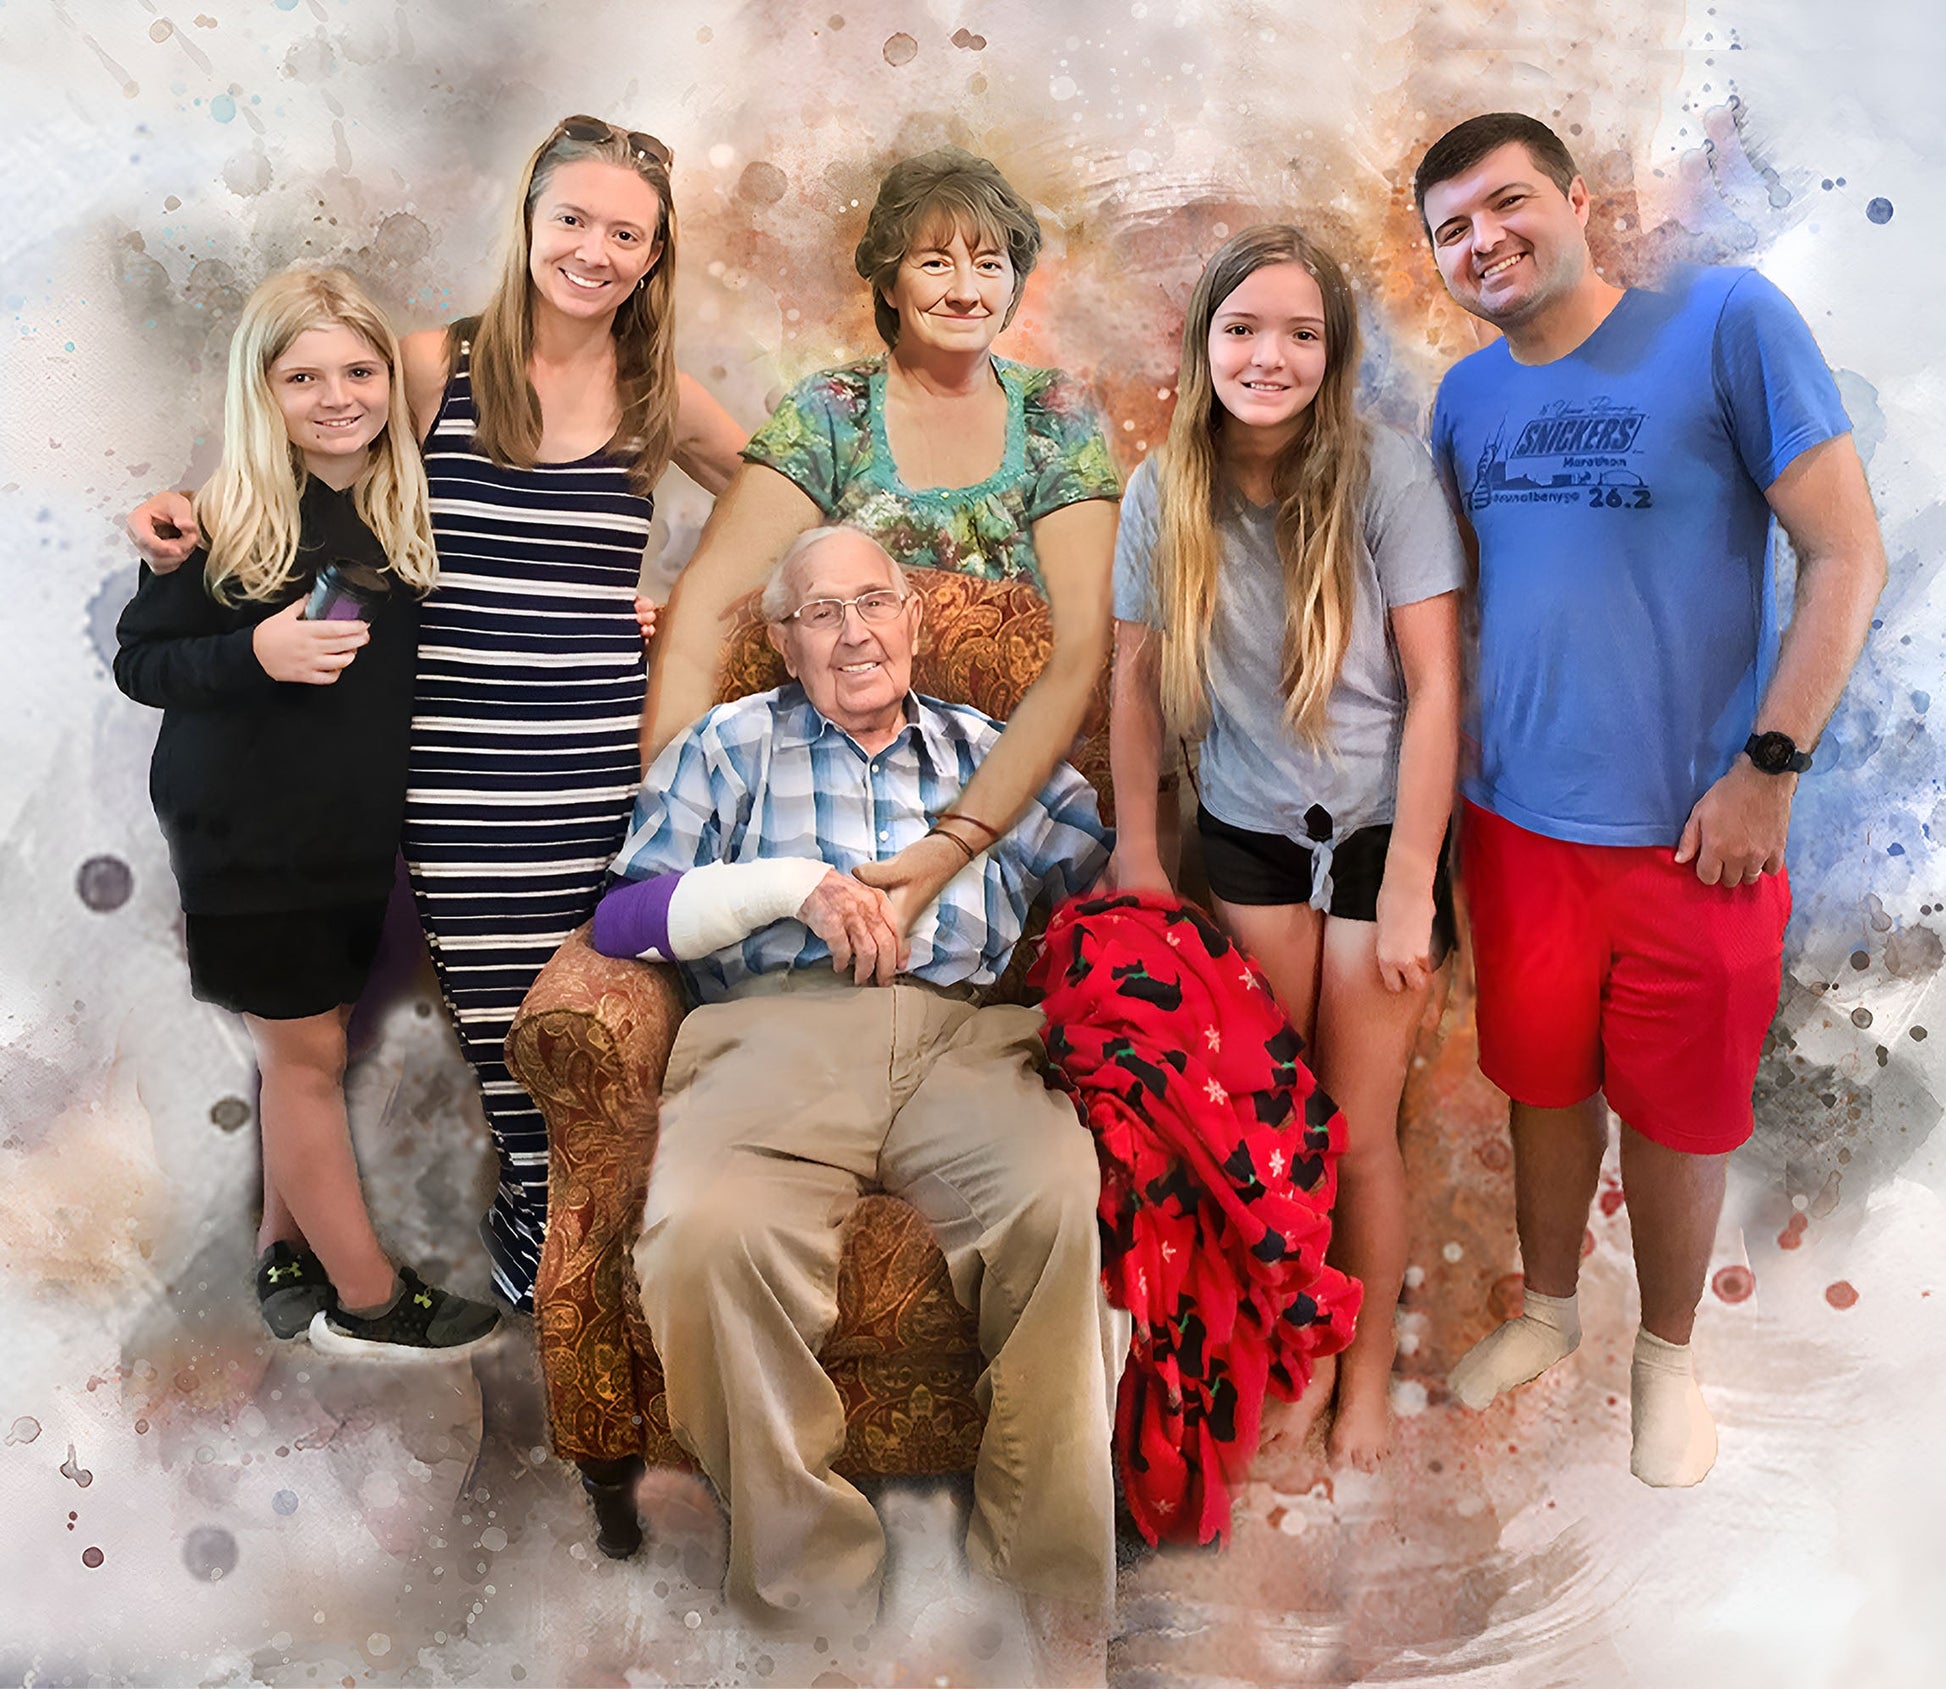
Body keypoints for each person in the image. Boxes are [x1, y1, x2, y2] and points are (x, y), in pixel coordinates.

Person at [124, 116, 747, 1309]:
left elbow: (784, 488)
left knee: (610, 1002)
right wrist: (172, 509)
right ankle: (532, 1214)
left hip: (601, 759)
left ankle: (575, 1221)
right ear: (526, 222)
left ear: (654, 255)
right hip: (450, 762)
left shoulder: (657, 394)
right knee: (504, 1015)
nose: (593, 250)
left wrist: (693, 595)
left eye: (627, 234)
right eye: (572, 219)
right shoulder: (428, 366)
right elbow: (291, 465)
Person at [1416, 113, 1886, 1485]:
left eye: (1505, 205)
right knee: (1542, 1086)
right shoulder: (1461, 400)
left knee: (1679, 1114)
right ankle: (1552, 1308)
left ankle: (1666, 1358)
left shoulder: (1724, 323)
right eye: (1451, 229)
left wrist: (1769, 768)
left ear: (1576, 201)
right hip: (1513, 829)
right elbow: (1479, 611)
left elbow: (1843, 555)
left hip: (1698, 833)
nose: (1482, 241)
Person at [591, 526, 1118, 1636]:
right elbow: (625, 916)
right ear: (783, 644)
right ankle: (810, 1601)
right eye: (819, 614)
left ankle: (1041, 1598)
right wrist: (790, 890)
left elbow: (1114, 884)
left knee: (1057, 1203)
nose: (852, 633)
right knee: (703, 1237)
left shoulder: (995, 749)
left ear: (914, 626)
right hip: (770, 1040)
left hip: (964, 1039)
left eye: (872, 603)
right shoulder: (729, 746)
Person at [1108, 225, 1465, 1473]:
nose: (1269, 356)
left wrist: (1413, 885)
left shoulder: (1385, 477)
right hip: (1247, 835)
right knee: (1278, 1128)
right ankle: (1295, 1358)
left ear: (1332, 352)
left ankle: (1362, 1370)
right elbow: (1136, 680)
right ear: (1203, 344)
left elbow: (1435, 688)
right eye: (1242, 330)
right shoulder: (1165, 489)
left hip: (1378, 839)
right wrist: (1139, 855)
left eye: (1299, 334)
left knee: (1358, 1128)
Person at [113, 267, 501, 1358]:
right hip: (246, 836)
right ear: (261, 391)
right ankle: (371, 1299)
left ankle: (286, 1246)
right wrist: (257, 652)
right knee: (304, 1060)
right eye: (303, 377)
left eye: (358, 370)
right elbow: (142, 663)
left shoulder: (393, 508)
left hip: (346, 835)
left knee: (311, 1045)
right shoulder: (224, 516)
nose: (337, 396)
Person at [639, 146, 1121, 951]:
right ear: (890, 283)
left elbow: (1083, 650)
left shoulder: (1054, 418)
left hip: (1012, 792)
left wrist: (959, 837)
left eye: (990, 264)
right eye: (935, 263)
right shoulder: (833, 413)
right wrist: (669, 827)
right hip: (827, 780)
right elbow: (709, 613)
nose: (966, 290)